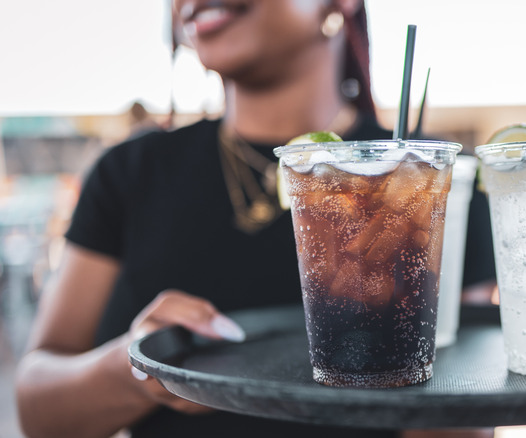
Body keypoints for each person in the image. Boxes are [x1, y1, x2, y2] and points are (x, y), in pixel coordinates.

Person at [14, 1, 496, 438]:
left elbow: (467, 415)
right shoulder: (129, 172)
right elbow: (38, 408)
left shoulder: (423, 179)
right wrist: (136, 367)